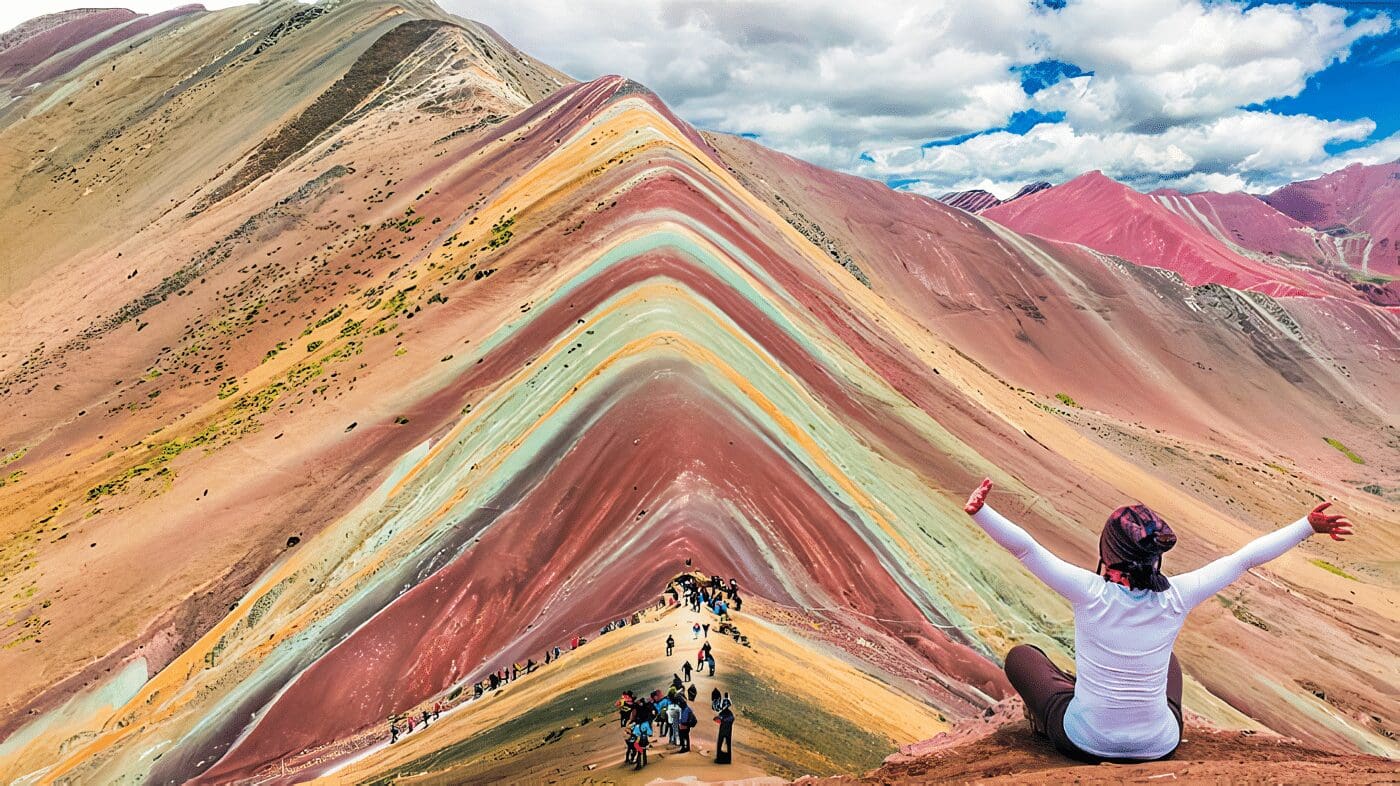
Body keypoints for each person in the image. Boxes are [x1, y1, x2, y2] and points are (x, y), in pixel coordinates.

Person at [963, 478, 1354, 764]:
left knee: (1023, 657)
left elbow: (1025, 549)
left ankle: (1061, 708)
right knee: (1169, 662)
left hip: (1083, 740)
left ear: (1109, 550)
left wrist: (983, 512)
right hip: (1159, 744)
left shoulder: (1089, 591)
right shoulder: (1177, 596)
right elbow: (1245, 559)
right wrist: (1306, 526)